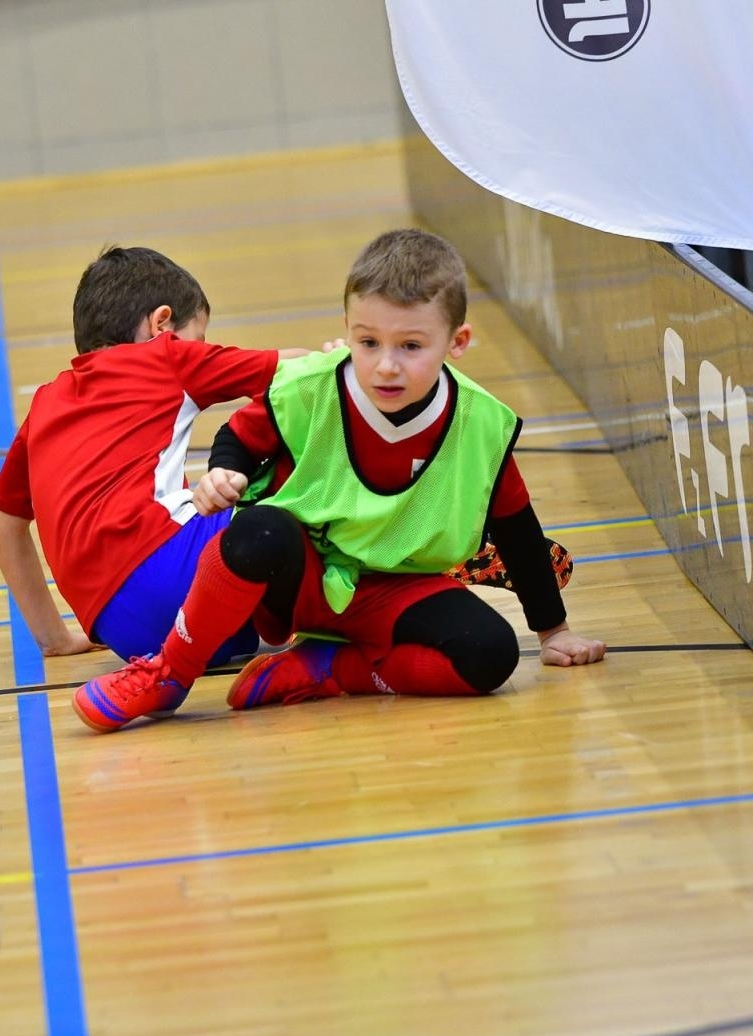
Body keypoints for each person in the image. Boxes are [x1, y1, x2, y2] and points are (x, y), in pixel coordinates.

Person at [72, 228, 605, 733]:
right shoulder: (312, 387)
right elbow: (240, 433)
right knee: (258, 528)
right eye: (368, 342)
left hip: (393, 587)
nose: (385, 366)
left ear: (456, 341)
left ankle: (332, 669)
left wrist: (554, 632)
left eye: (410, 347)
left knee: (490, 656)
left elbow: (517, 527)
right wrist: (222, 471)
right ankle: (169, 673)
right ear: (347, 329)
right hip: (301, 576)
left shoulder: (483, 423)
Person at [0, 245, 303, 666]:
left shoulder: (44, 404)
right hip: (181, 585)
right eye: (200, 339)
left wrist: (54, 638)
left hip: (128, 635)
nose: (201, 350)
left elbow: (2, 527)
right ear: (162, 324)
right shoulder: (165, 356)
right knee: (298, 446)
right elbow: (304, 372)